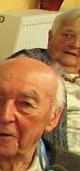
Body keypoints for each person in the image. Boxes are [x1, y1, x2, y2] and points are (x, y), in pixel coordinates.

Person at [11, 7, 80, 152]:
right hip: (58, 160)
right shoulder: (27, 66)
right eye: (68, 35)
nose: (75, 44)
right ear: (50, 37)